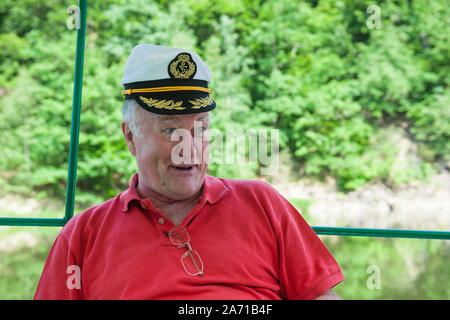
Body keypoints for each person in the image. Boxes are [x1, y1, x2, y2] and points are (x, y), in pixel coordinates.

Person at [34, 44, 344, 300]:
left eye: (200, 129)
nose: (190, 147)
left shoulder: (263, 203)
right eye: (170, 130)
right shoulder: (83, 235)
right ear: (130, 137)